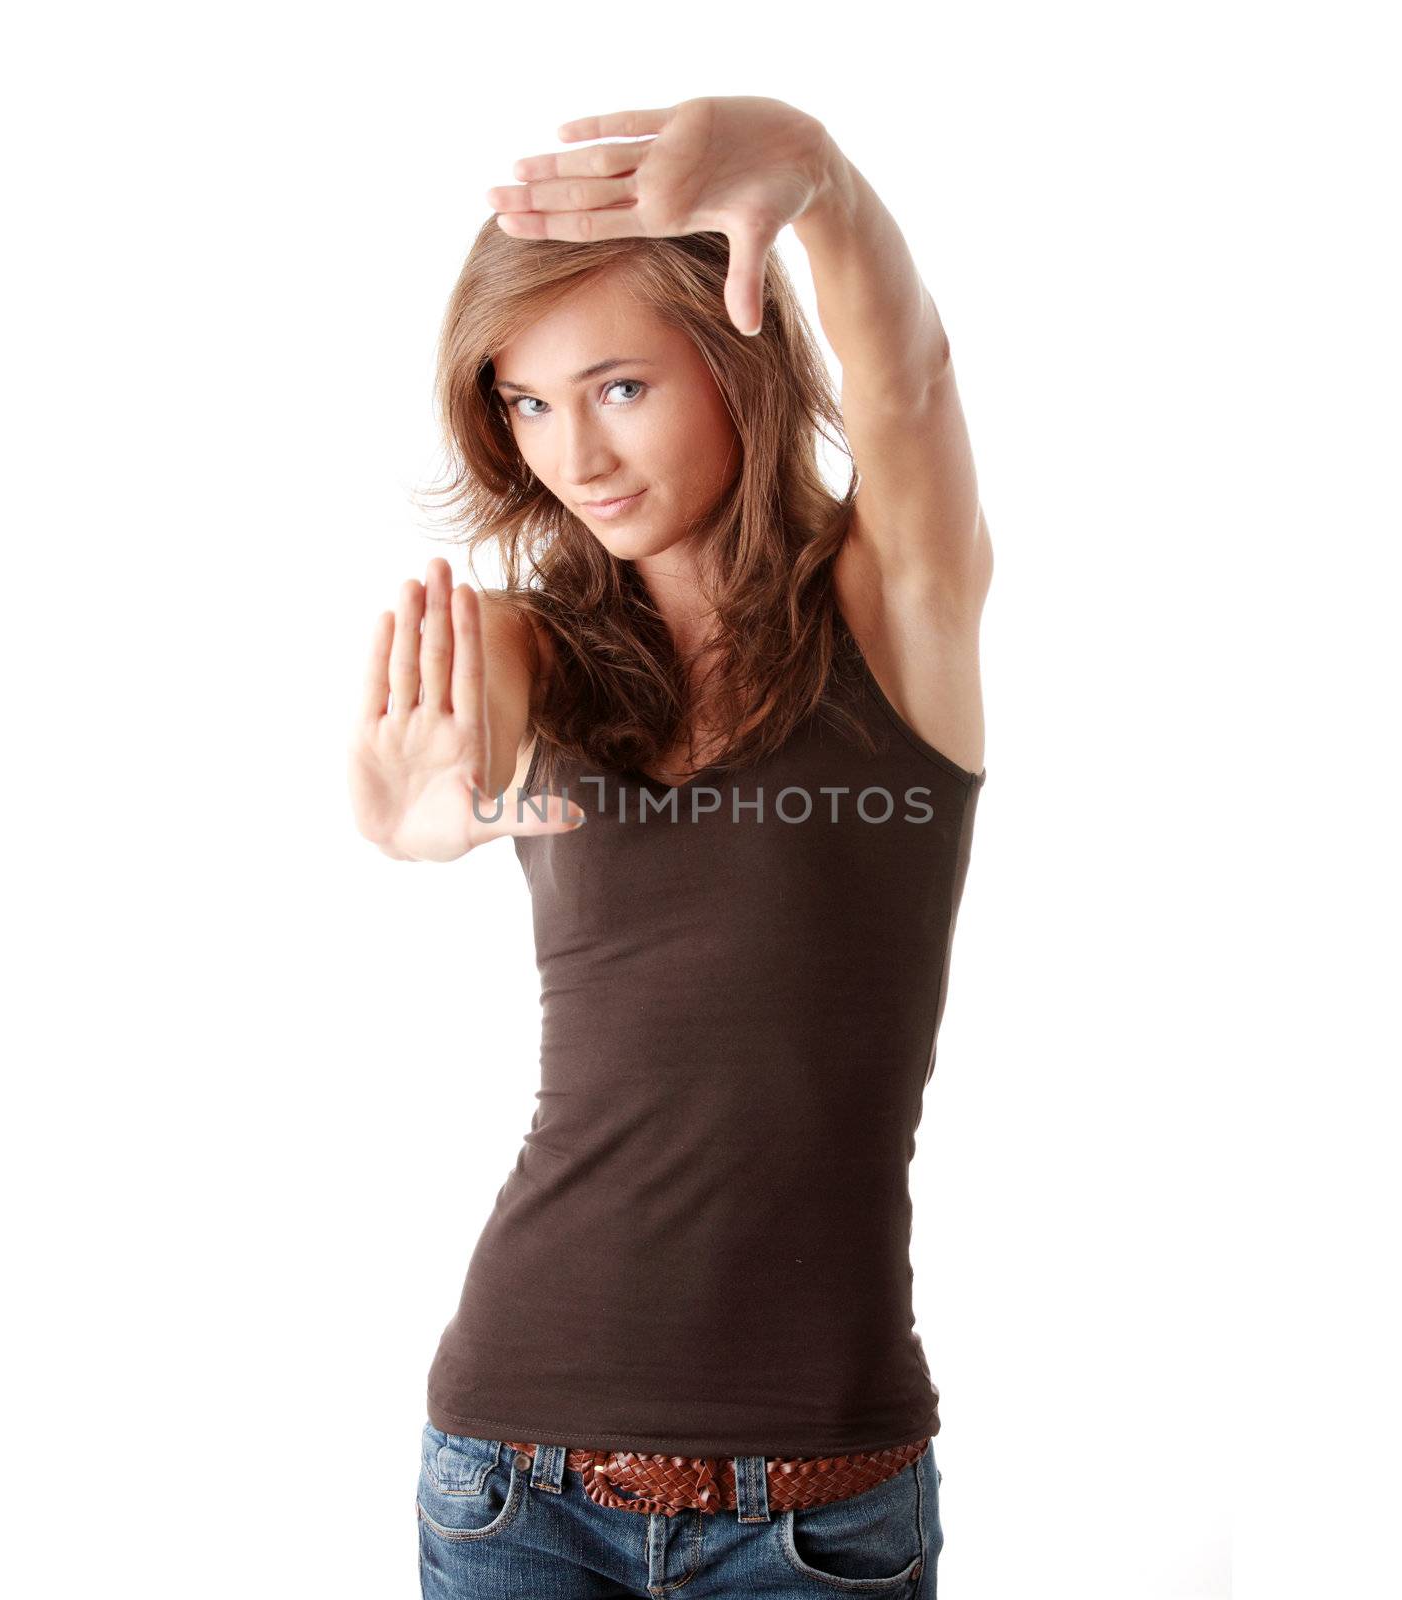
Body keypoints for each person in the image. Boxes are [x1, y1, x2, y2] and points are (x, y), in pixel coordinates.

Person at [347, 95, 992, 1599]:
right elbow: (419, 765)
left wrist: (819, 175)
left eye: (619, 385)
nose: (576, 452)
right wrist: (405, 824)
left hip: (818, 1510)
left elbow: (909, 389)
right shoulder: (532, 647)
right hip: (514, 1478)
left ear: (735, 354)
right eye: (527, 405)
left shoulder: (897, 617)